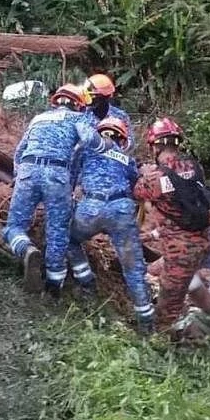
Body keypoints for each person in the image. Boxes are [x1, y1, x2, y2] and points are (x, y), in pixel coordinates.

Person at [3, 84, 112, 297]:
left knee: (13, 227)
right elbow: (90, 140)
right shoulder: (78, 119)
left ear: (56, 101)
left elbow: (19, 152)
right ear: (78, 104)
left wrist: (19, 176)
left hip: (27, 170)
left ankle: (26, 249)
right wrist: (109, 145)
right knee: (58, 231)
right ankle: (53, 287)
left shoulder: (38, 118)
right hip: (56, 174)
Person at [65, 117, 155, 333]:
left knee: (68, 238)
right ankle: (146, 323)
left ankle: (87, 282)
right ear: (122, 138)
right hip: (122, 210)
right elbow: (136, 188)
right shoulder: (126, 158)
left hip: (91, 207)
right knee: (133, 267)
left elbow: (71, 177)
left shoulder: (86, 150)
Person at [133, 117, 210, 330]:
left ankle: (169, 346)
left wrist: (144, 173)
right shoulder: (194, 165)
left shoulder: (154, 178)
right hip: (204, 240)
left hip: (181, 250)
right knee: (164, 272)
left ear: (155, 146)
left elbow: (137, 192)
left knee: (167, 307)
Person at [83, 73, 134, 151]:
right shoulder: (82, 116)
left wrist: (116, 149)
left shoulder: (120, 116)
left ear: (103, 97)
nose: (89, 100)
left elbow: (130, 143)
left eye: (92, 96)